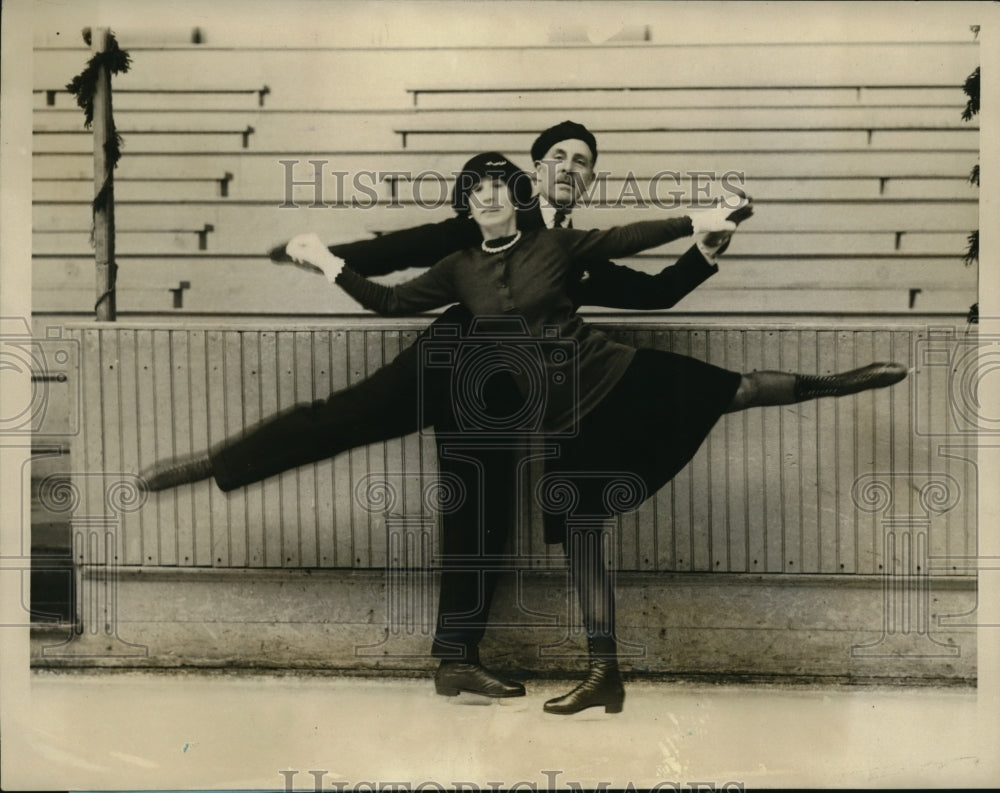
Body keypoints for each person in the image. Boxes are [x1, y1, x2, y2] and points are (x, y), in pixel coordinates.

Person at [285, 156, 907, 715]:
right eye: (478, 189)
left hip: (612, 372)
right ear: (466, 205)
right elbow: (392, 303)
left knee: (732, 390)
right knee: (581, 538)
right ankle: (603, 674)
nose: (491, 195)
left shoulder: (552, 245)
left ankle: (831, 382)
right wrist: (331, 264)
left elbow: (626, 238)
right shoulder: (456, 270)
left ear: (518, 196)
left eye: (501, 185)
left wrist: (700, 218)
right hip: (562, 421)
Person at [142, 123, 740, 702]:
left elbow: (651, 293)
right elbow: (406, 248)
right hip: (447, 358)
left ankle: (457, 660)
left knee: (481, 514)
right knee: (342, 417)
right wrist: (323, 258)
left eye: (582, 162)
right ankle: (214, 462)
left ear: (589, 182)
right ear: (535, 171)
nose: (569, 168)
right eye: (558, 156)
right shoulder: (492, 211)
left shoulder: (573, 247)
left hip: (502, 393)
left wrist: (704, 253)